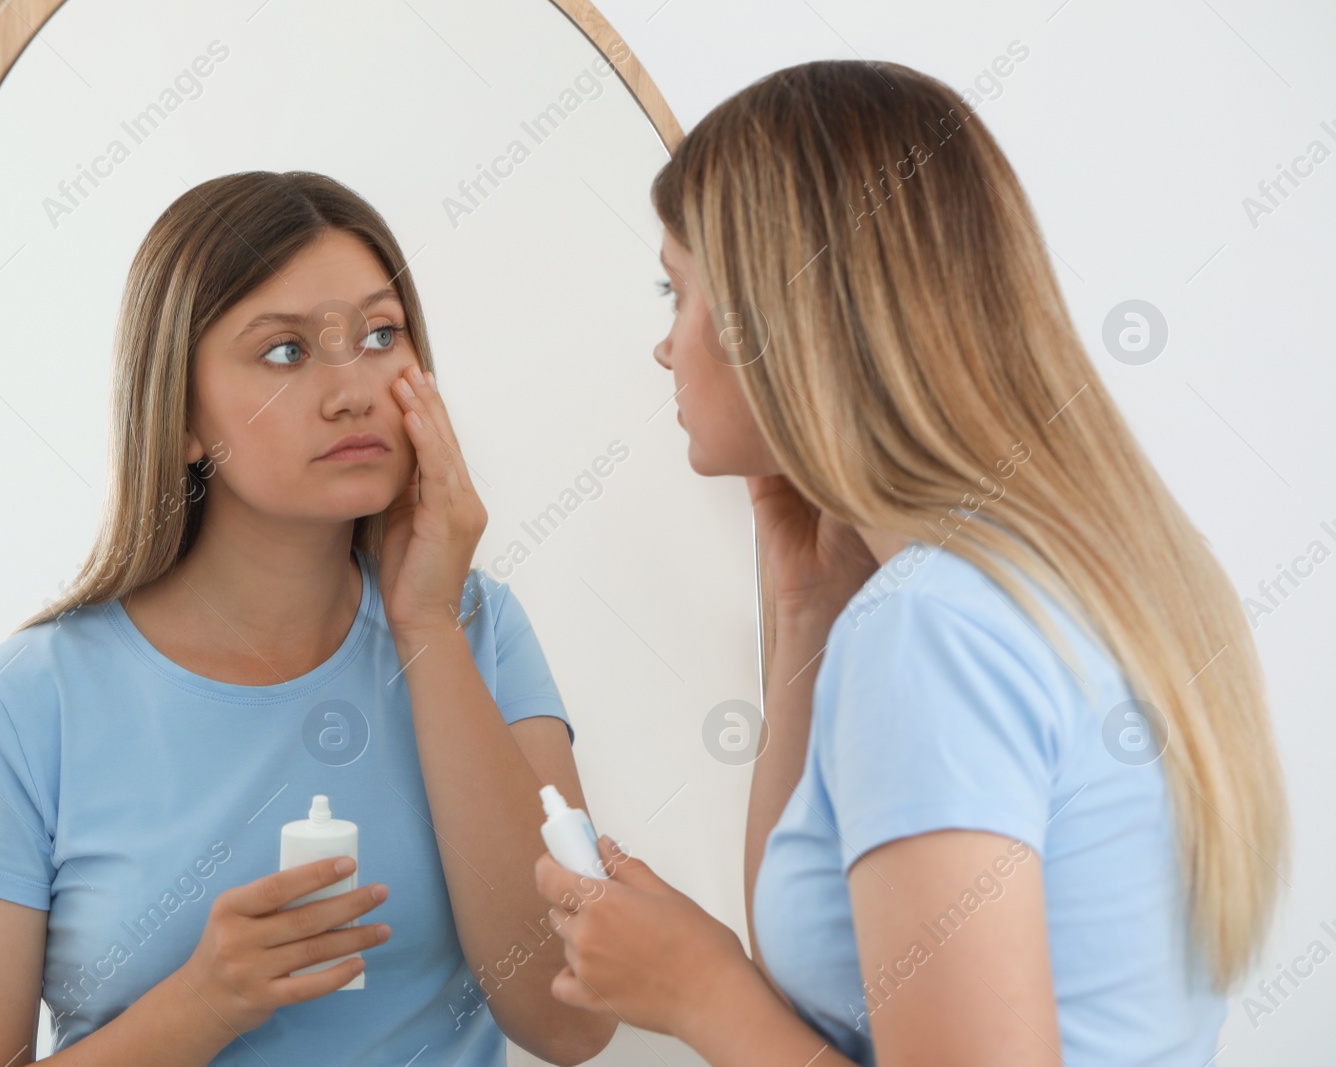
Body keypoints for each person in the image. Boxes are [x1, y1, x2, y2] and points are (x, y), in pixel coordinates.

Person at [534, 59, 1288, 1066]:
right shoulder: (1087, 574)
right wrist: (805, 605)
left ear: (781, 317)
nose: (665, 348)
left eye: (675, 291)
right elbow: (839, 978)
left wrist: (699, 994)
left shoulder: (931, 629)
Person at [0, 171, 616, 1066]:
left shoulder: (479, 628)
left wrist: (426, 628)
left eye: (380, 336)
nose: (353, 392)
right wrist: (202, 1006)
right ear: (178, 413)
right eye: (286, 352)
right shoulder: (23, 704)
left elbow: (571, 1020)